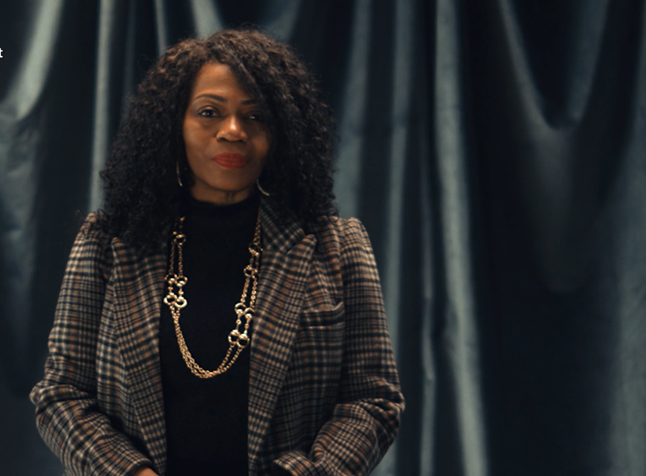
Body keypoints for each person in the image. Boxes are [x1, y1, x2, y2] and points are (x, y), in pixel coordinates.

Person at [30, 29, 404, 476]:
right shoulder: (108, 244)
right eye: (210, 112)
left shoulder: (337, 248)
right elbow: (62, 394)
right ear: (174, 124)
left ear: (280, 132)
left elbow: (373, 400)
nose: (233, 131)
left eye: (256, 116)